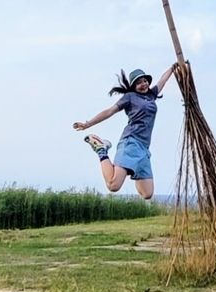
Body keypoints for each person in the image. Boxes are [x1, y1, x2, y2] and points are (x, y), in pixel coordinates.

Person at [73, 62, 180, 200]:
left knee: (147, 193)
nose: (144, 84)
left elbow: (162, 80)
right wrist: (87, 124)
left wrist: (173, 67)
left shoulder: (151, 95)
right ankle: (101, 150)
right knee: (113, 185)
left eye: (145, 81)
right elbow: (110, 111)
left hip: (144, 149)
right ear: (133, 86)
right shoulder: (130, 97)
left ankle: (131, 168)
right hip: (131, 142)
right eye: (139, 83)